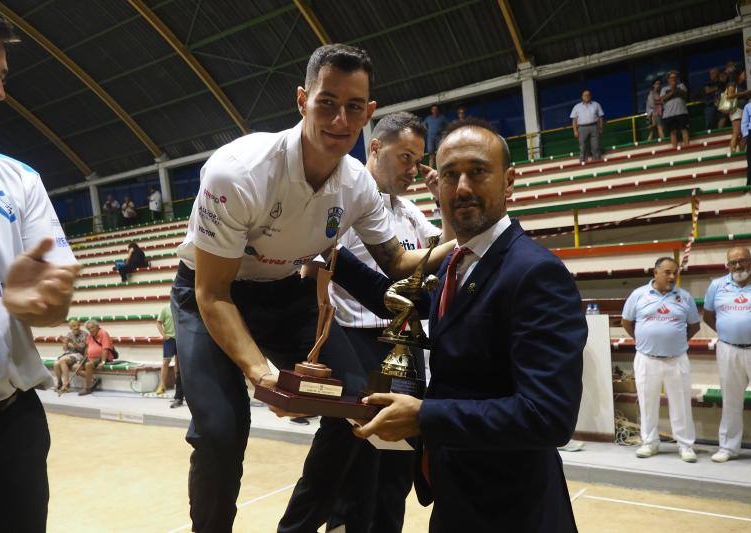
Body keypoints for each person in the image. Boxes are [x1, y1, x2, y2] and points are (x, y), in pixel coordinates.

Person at [170, 43, 456, 533]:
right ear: (302, 100)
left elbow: (397, 263)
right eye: (327, 102)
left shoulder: (357, 187)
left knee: (359, 405)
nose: (339, 118)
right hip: (212, 294)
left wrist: (459, 235)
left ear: (368, 113)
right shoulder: (236, 172)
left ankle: (298, 528)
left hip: (284, 292)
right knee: (219, 433)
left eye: (352, 107)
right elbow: (212, 294)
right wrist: (262, 375)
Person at [336, 118, 587, 531]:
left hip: (511, 507)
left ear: (509, 181)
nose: (463, 187)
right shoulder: (461, 261)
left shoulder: (535, 273)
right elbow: (397, 299)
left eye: (477, 172)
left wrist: (426, 416)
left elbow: (548, 417)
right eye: (450, 175)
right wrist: (327, 254)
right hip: (458, 496)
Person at [0, 4, 81, 530]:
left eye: (0, 74)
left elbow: (53, 307)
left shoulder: (18, 179)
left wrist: (46, 301)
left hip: (7, 429)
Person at [326, 112, 452, 533]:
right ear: (375, 148)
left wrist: (447, 204)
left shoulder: (410, 210)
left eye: (418, 160)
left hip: (407, 346)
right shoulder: (342, 200)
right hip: (359, 344)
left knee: (398, 466)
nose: (413, 170)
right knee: (357, 465)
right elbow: (317, 269)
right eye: (405, 158)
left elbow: (447, 253)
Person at [702, 246, 751, 462]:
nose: (738, 266)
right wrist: (730, 333)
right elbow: (708, 316)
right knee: (731, 400)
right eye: (732, 262)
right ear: (727, 265)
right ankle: (728, 447)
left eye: (742, 261)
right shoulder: (716, 286)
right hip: (728, 350)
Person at [620, 257, 701, 462]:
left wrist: (674, 342)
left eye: (675, 272)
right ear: (655, 273)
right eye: (667, 272)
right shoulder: (638, 295)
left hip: (677, 358)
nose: (672, 276)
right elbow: (627, 322)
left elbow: (694, 326)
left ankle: (685, 445)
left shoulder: (685, 297)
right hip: (647, 358)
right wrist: (646, 340)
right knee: (647, 402)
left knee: (681, 404)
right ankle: (650, 443)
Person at [155, 303, 183, 408]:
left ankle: (177, 385)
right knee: (166, 361)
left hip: (180, 338)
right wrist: (164, 335)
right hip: (169, 339)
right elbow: (158, 323)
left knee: (178, 363)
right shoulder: (165, 308)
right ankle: (162, 385)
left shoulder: (180, 307)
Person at [81, 320, 114, 396]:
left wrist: (103, 362)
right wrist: (83, 358)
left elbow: (105, 349)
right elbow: (87, 348)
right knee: (76, 367)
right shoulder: (89, 335)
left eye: (92, 327)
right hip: (91, 358)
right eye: (89, 329)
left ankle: (87, 388)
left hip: (103, 357)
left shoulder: (103, 333)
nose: (91, 330)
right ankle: (93, 379)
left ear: (97, 326)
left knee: (88, 365)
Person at [54, 319, 88, 393]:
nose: (76, 327)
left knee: (62, 360)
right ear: (70, 327)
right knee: (56, 364)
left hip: (79, 354)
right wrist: (65, 343)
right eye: (74, 326)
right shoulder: (69, 334)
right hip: (69, 354)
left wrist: (73, 342)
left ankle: (66, 384)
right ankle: (60, 382)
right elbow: (65, 349)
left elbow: (81, 348)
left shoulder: (84, 334)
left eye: (78, 325)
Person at [570, 89, 604, 162]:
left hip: (594, 126)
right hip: (582, 128)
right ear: (582, 97)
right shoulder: (576, 107)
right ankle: (583, 162)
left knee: (596, 145)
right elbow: (574, 120)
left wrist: (601, 128)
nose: (586, 96)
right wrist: (575, 131)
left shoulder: (596, 104)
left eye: (588, 95)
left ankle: (597, 161)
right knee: (583, 146)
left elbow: (600, 117)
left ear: (590, 96)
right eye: (585, 95)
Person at [723, 68, 751, 153]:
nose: (746, 75)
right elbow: (730, 95)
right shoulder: (732, 84)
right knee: (736, 131)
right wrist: (745, 93)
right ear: (739, 74)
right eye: (744, 73)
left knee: (743, 132)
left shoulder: (741, 85)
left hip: (742, 109)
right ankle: (733, 151)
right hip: (736, 110)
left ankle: (742, 151)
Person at [660, 71, 690, 148]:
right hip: (669, 115)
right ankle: (674, 149)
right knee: (672, 132)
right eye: (671, 78)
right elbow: (662, 98)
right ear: (668, 79)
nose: (673, 79)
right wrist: (673, 91)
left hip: (681, 112)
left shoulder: (681, 86)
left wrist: (676, 88)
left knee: (684, 130)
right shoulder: (664, 89)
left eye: (675, 77)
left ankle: (687, 148)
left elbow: (685, 95)